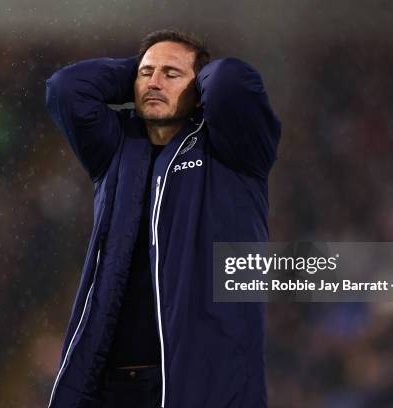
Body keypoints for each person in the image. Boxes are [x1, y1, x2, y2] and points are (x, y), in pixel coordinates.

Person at [46, 29, 281, 408]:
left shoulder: (233, 151)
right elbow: (65, 88)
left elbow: (231, 84)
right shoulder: (117, 147)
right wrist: (146, 78)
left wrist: (194, 79)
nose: (154, 82)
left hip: (197, 383)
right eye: (146, 73)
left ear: (201, 92)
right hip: (113, 383)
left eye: (171, 74)